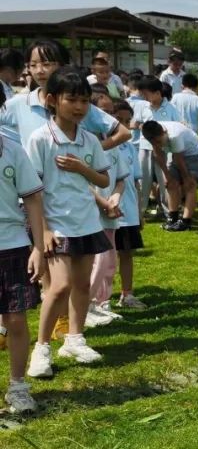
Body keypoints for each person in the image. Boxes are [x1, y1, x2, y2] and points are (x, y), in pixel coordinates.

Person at [25, 69, 113, 378]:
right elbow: (32, 189)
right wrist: (45, 228)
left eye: (84, 101)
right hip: (56, 225)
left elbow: (103, 178)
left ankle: (75, 339)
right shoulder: (40, 139)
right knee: (58, 286)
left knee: (82, 284)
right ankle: (42, 347)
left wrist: (82, 168)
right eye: (71, 99)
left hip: (86, 222)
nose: (78, 106)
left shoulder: (89, 139)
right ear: (52, 100)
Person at [2, 39, 130, 150]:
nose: (39, 71)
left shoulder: (78, 105)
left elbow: (123, 133)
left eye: (46, 64)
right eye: (33, 65)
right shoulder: (17, 103)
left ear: (63, 66)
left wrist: (90, 152)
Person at [0, 118, 46, 412]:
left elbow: (32, 199)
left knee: (16, 319)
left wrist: (39, 247)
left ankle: (18, 386)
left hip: (12, 244)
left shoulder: (14, 151)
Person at [86, 123, 129, 325]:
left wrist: (115, 198)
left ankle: (102, 302)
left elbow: (121, 179)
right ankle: (85, 305)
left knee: (109, 261)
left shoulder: (113, 146)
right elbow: (81, 183)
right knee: (98, 261)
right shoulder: (83, 144)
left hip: (110, 213)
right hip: (90, 213)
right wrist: (103, 203)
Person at [108, 101, 147, 310]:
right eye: (118, 120)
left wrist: (139, 212)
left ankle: (127, 294)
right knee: (103, 258)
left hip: (128, 210)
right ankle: (100, 299)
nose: (123, 125)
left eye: (126, 121)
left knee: (126, 253)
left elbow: (136, 182)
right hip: (105, 210)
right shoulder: (100, 145)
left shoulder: (130, 147)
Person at [140, 120, 198, 232]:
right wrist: (168, 176)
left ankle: (186, 221)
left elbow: (179, 159)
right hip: (175, 154)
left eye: (160, 141)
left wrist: (186, 178)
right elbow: (158, 154)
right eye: (155, 143)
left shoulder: (175, 135)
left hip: (192, 153)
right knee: (170, 184)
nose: (159, 145)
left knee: (190, 185)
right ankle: (172, 218)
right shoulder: (150, 134)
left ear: (164, 132)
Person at [134, 76, 181, 215]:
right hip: (145, 147)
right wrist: (139, 126)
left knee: (165, 179)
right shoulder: (143, 107)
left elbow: (177, 126)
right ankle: (139, 213)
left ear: (157, 92)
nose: (145, 97)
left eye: (146, 94)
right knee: (144, 180)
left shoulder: (171, 108)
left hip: (164, 149)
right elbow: (136, 123)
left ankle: (169, 211)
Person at [172, 73, 198, 143]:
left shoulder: (175, 97)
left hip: (177, 130)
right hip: (193, 133)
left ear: (182, 85)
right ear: (196, 86)